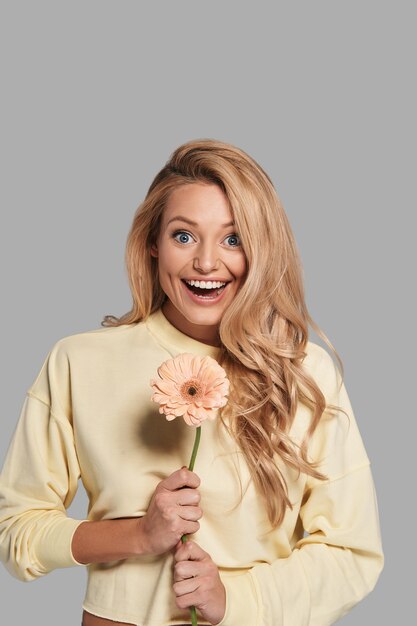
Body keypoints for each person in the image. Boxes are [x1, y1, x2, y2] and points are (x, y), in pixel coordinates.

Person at [0, 139, 384, 626]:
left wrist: (235, 599)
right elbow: (16, 530)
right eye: (184, 236)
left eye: (233, 238)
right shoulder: (78, 360)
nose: (206, 263)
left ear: (261, 249)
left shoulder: (304, 372)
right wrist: (139, 534)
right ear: (153, 245)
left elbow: (353, 555)